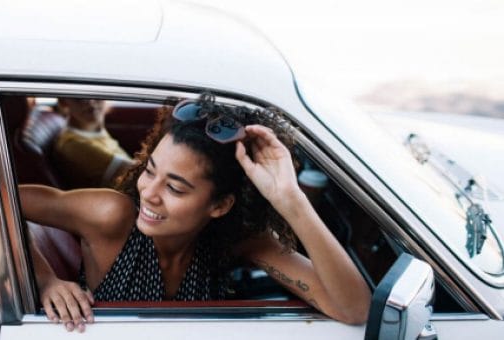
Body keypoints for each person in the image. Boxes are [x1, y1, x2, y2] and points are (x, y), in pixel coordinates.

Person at [22, 93, 371, 332]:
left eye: (175, 188)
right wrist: (44, 279)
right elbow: (0, 199)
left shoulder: (239, 239)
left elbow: (354, 310)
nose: (149, 194)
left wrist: (290, 199)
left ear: (220, 206)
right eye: (149, 170)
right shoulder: (111, 214)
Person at [53, 98, 133, 188]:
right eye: (79, 98)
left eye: (96, 94)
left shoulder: (93, 129)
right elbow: (134, 173)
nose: (90, 102)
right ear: (63, 102)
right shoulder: (73, 145)